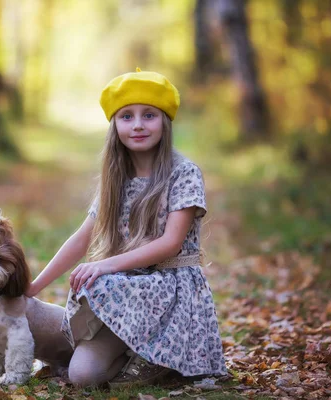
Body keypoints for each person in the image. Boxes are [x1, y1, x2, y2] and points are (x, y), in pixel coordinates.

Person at [26, 68, 227, 388]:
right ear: (115, 125)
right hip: (124, 290)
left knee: (83, 376)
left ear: (164, 122)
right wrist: (33, 288)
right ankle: (106, 350)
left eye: (149, 115)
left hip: (166, 294)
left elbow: (170, 244)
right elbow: (81, 240)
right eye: (126, 116)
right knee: (22, 311)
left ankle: (153, 357)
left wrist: (103, 265)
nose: (137, 125)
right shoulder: (116, 177)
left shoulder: (183, 172)